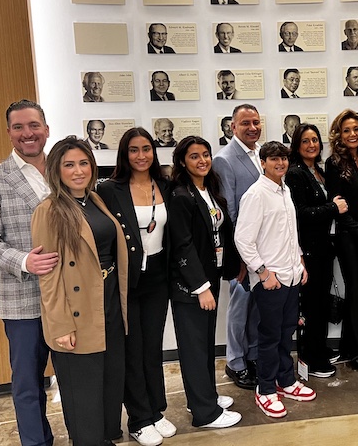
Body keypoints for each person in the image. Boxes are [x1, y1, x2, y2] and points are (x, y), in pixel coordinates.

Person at [31, 137, 128, 445]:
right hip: (78, 311)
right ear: (56, 170)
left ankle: (104, 439)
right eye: (69, 165)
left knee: (109, 386)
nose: (78, 171)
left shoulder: (94, 199)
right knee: (82, 396)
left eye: (83, 163)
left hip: (108, 303)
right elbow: (48, 275)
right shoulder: (49, 211)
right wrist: (61, 324)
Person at [0, 99, 57, 446]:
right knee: (28, 384)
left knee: (79, 377)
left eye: (34, 125)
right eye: (19, 127)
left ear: (46, 129)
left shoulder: (66, 171)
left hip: (71, 298)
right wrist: (24, 261)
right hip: (22, 302)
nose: (28, 133)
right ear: (9, 133)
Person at [97, 128, 175, 444]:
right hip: (127, 280)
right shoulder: (110, 189)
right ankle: (139, 419)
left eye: (146, 149)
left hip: (158, 278)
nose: (140, 155)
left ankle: (156, 410)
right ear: (124, 154)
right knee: (133, 349)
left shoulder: (166, 186)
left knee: (152, 348)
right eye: (133, 150)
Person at [235, 141, 317, 418]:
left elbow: (288, 233)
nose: (280, 163)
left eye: (283, 158)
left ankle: (286, 381)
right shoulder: (256, 194)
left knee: (285, 333)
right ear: (263, 162)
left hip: (291, 275)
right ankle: (266, 389)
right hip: (271, 280)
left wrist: (300, 262)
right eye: (273, 159)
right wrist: (263, 273)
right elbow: (243, 240)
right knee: (269, 338)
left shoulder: (285, 190)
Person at [168, 136, 242, 429]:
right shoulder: (180, 195)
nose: (202, 161)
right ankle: (204, 413)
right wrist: (201, 287)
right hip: (192, 286)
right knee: (194, 347)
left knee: (205, 344)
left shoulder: (208, 189)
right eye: (194, 156)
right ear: (182, 162)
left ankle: (204, 395)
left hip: (209, 277)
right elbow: (183, 245)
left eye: (206, 154)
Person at [285, 124, 347, 378]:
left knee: (320, 303)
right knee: (311, 306)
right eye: (306, 140)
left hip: (323, 248)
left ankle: (319, 348)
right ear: (297, 145)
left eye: (315, 140)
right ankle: (312, 359)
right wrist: (333, 208)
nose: (312, 145)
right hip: (309, 250)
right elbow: (299, 214)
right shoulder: (296, 174)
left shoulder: (318, 171)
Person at [213, 104, 263, 390]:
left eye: (256, 122)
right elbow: (228, 210)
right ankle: (235, 362)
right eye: (245, 123)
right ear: (233, 127)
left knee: (257, 306)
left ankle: (253, 355)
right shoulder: (225, 159)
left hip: (263, 248)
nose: (252, 127)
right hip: (242, 249)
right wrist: (239, 257)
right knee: (240, 306)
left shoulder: (260, 154)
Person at [324, 109, 358, 376]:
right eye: (347, 130)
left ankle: (348, 345)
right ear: (339, 135)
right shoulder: (333, 164)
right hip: (349, 237)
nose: (352, 134)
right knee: (356, 290)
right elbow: (339, 208)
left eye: (356, 129)